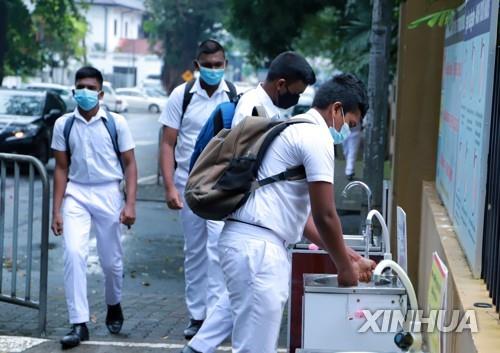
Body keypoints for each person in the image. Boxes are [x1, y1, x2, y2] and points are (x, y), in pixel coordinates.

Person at [183, 63, 373, 353]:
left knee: (217, 331)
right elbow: (325, 215)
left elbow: (306, 221)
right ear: (336, 109)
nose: (348, 131)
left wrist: (350, 257)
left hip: (249, 244)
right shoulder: (316, 137)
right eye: (351, 122)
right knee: (255, 348)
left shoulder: (294, 127)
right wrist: (344, 269)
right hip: (259, 252)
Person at [51, 66, 137, 349]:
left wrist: (130, 204)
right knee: (74, 253)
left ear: (100, 92)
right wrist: (57, 210)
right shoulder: (64, 124)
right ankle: (79, 323)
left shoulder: (116, 123)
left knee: (111, 261)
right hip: (77, 193)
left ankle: (113, 304)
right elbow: (61, 168)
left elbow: (130, 164)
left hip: (108, 193)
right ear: (73, 91)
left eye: (91, 87)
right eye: (80, 87)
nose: (85, 92)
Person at [159, 39, 237, 340]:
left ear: (225, 64)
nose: (214, 70)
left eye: (219, 65)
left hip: (221, 186)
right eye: (208, 65)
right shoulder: (182, 95)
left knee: (218, 249)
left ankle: (216, 319)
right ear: (197, 66)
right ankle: (197, 316)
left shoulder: (234, 96)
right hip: (188, 183)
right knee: (194, 252)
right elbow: (168, 143)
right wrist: (169, 187)